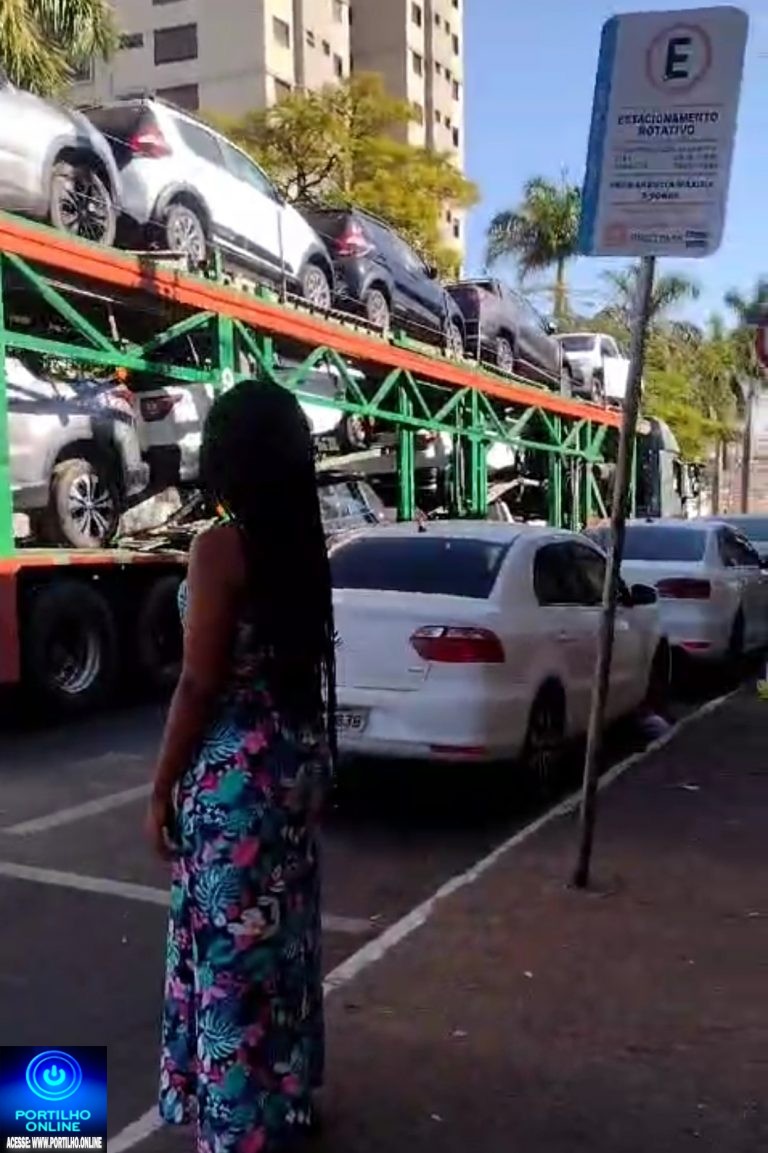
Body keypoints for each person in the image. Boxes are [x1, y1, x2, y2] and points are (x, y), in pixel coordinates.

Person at [145, 378, 337, 1152]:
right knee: (282, 945)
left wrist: (160, 787)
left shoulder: (221, 545)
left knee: (229, 960)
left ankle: (235, 1133)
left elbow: (199, 682)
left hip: (237, 779)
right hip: (292, 763)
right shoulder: (300, 543)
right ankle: (286, 1101)